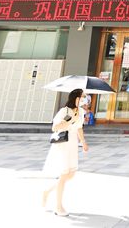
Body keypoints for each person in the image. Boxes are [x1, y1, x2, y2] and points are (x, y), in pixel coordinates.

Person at [42, 88, 89, 216]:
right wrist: (70, 119)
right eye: (83, 96)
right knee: (63, 175)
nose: (85, 99)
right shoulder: (65, 111)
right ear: (76, 98)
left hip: (73, 143)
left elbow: (79, 128)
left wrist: (83, 142)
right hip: (63, 143)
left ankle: (47, 191)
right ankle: (58, 207)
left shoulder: (81, 111)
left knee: (71, 173)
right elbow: (55, 127)